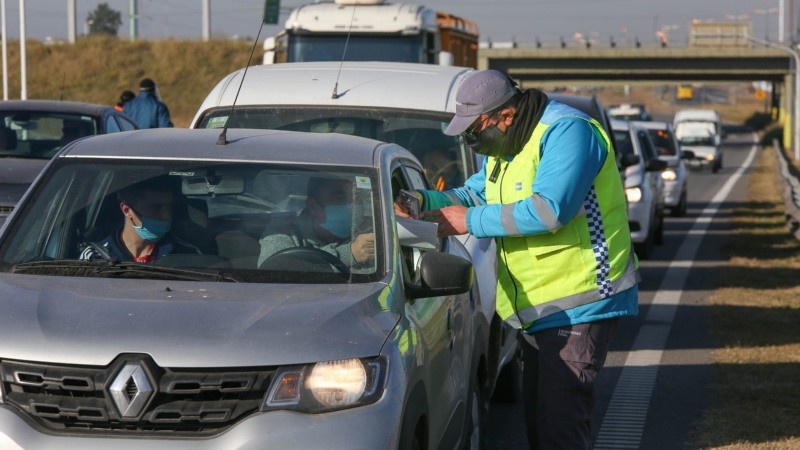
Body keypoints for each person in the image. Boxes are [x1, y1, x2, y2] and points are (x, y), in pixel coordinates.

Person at [395, 70, 639, 449]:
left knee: (560, 432)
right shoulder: (506, 147)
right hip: (536, 310)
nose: (472, 140)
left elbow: (550, 210)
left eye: (474, 131)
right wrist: (424, 203)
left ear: (504, 116)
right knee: (542, 431)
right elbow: (475, 195)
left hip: (582, 302)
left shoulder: (568, 133)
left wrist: (468, 222)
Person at [257, 176, 374, 270]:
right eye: (340, 198)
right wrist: (349, 254)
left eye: (356, 198)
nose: (352, 205)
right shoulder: (284, 230)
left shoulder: (378, 230)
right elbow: (274, 272)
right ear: (313, 206)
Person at [79, 176, 200, 262]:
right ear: (127, 210)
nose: (166, 216)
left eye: (169, 207)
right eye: (156, 207)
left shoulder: (187, 256)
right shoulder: (94, 257)